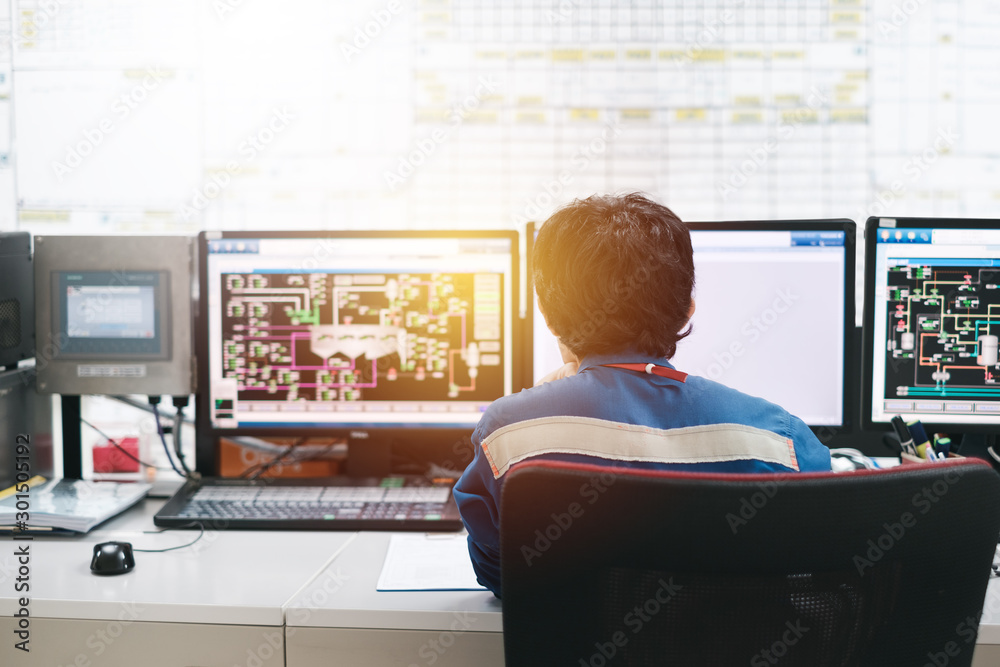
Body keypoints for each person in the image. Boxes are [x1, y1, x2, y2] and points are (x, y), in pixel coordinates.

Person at [453, 193, 832, 597]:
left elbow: (500, 573)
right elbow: (810, 572)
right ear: (687, 308)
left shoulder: (507, 435)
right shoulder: (784, 442)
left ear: (547, 316)